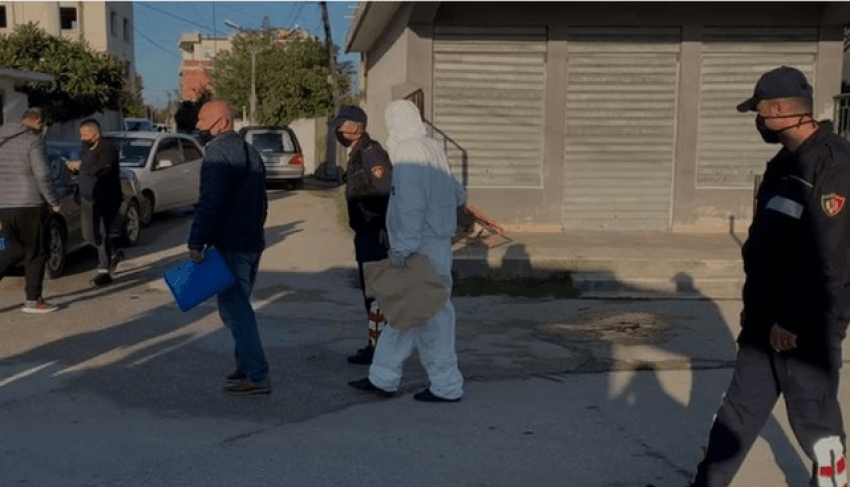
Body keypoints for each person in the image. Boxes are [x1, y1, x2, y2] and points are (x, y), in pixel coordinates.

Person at [688, 66, 850, 487]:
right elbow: (769, 246)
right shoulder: (783, 163)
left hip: (804, 326)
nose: (757, 120)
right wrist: (755, 306)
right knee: (736, 415)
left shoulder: (833, 164)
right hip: (765, 321)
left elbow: (831, 258)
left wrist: (793, 320)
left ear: (778, 110)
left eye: (758, 111)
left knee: (818, 427)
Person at [348, 100, 466, 403]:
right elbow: (457, 194)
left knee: (426, 316)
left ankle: (445, 385)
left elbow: (410, 203)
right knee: (406, 313)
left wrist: (403, 248)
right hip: (438, 244)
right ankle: (383, 377)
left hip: (420, 247)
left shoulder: (409, 151)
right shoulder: (434, 149)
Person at [188, 100, 271, 395]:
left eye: (204, 121)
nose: (199, 126)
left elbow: (210, 202)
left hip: (231, 244)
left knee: (237, 312)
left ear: (222, 122)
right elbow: (262, 201)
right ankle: (246, 366)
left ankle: (257, 375)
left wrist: (196, 240)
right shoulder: (250, 151)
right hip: (251, 241)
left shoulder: (218, 154)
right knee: (234, 308)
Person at [330, 105, 393, 365]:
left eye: (342, 125)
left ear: (355, 127)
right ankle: (375, 344)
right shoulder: (357, 153)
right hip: (365, 233)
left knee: (376, 295)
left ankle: (381, 350)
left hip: (374, 234)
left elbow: (385, 189)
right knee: (371, 294)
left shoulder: (370, 152)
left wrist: (375, 221)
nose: (338, 130)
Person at [0, 108, 62, 313]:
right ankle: (33, 300)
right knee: (35, 252)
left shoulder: (2, 138)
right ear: (36, 121)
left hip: (4, 204)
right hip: (28, 203)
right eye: (43, 124)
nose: (44, 128)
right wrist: (53, 200)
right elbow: (42, 174)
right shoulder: (33, 141)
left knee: (14, 250)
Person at [66, 118, 124, 286]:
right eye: (80, 134)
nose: (82, 138)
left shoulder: (107, 149)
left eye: (85, 134)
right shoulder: (85, 149)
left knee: (101, 232)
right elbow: (85, 171)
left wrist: (81, 166)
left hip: (105, 198)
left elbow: (103, 169)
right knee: (89, 235)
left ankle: (104, 270)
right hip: (87, 198)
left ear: (96, 134)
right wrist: (73, 169)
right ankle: (113, 254)